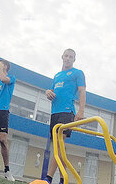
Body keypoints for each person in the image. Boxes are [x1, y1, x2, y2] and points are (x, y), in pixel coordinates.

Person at [44, 49, 86, 184]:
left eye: (71, 57)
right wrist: (47, 92)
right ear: (62, 57)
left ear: (74, 59)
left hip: (67, 112)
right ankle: (63, 178)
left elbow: (82, 91)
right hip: (54, 113)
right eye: (66, 56)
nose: (68, 58)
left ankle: (48, 178)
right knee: (59, 147)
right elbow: (52, 91)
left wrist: (81, 111)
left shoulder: (77, 73)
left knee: (57, 144)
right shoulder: (56, 75)